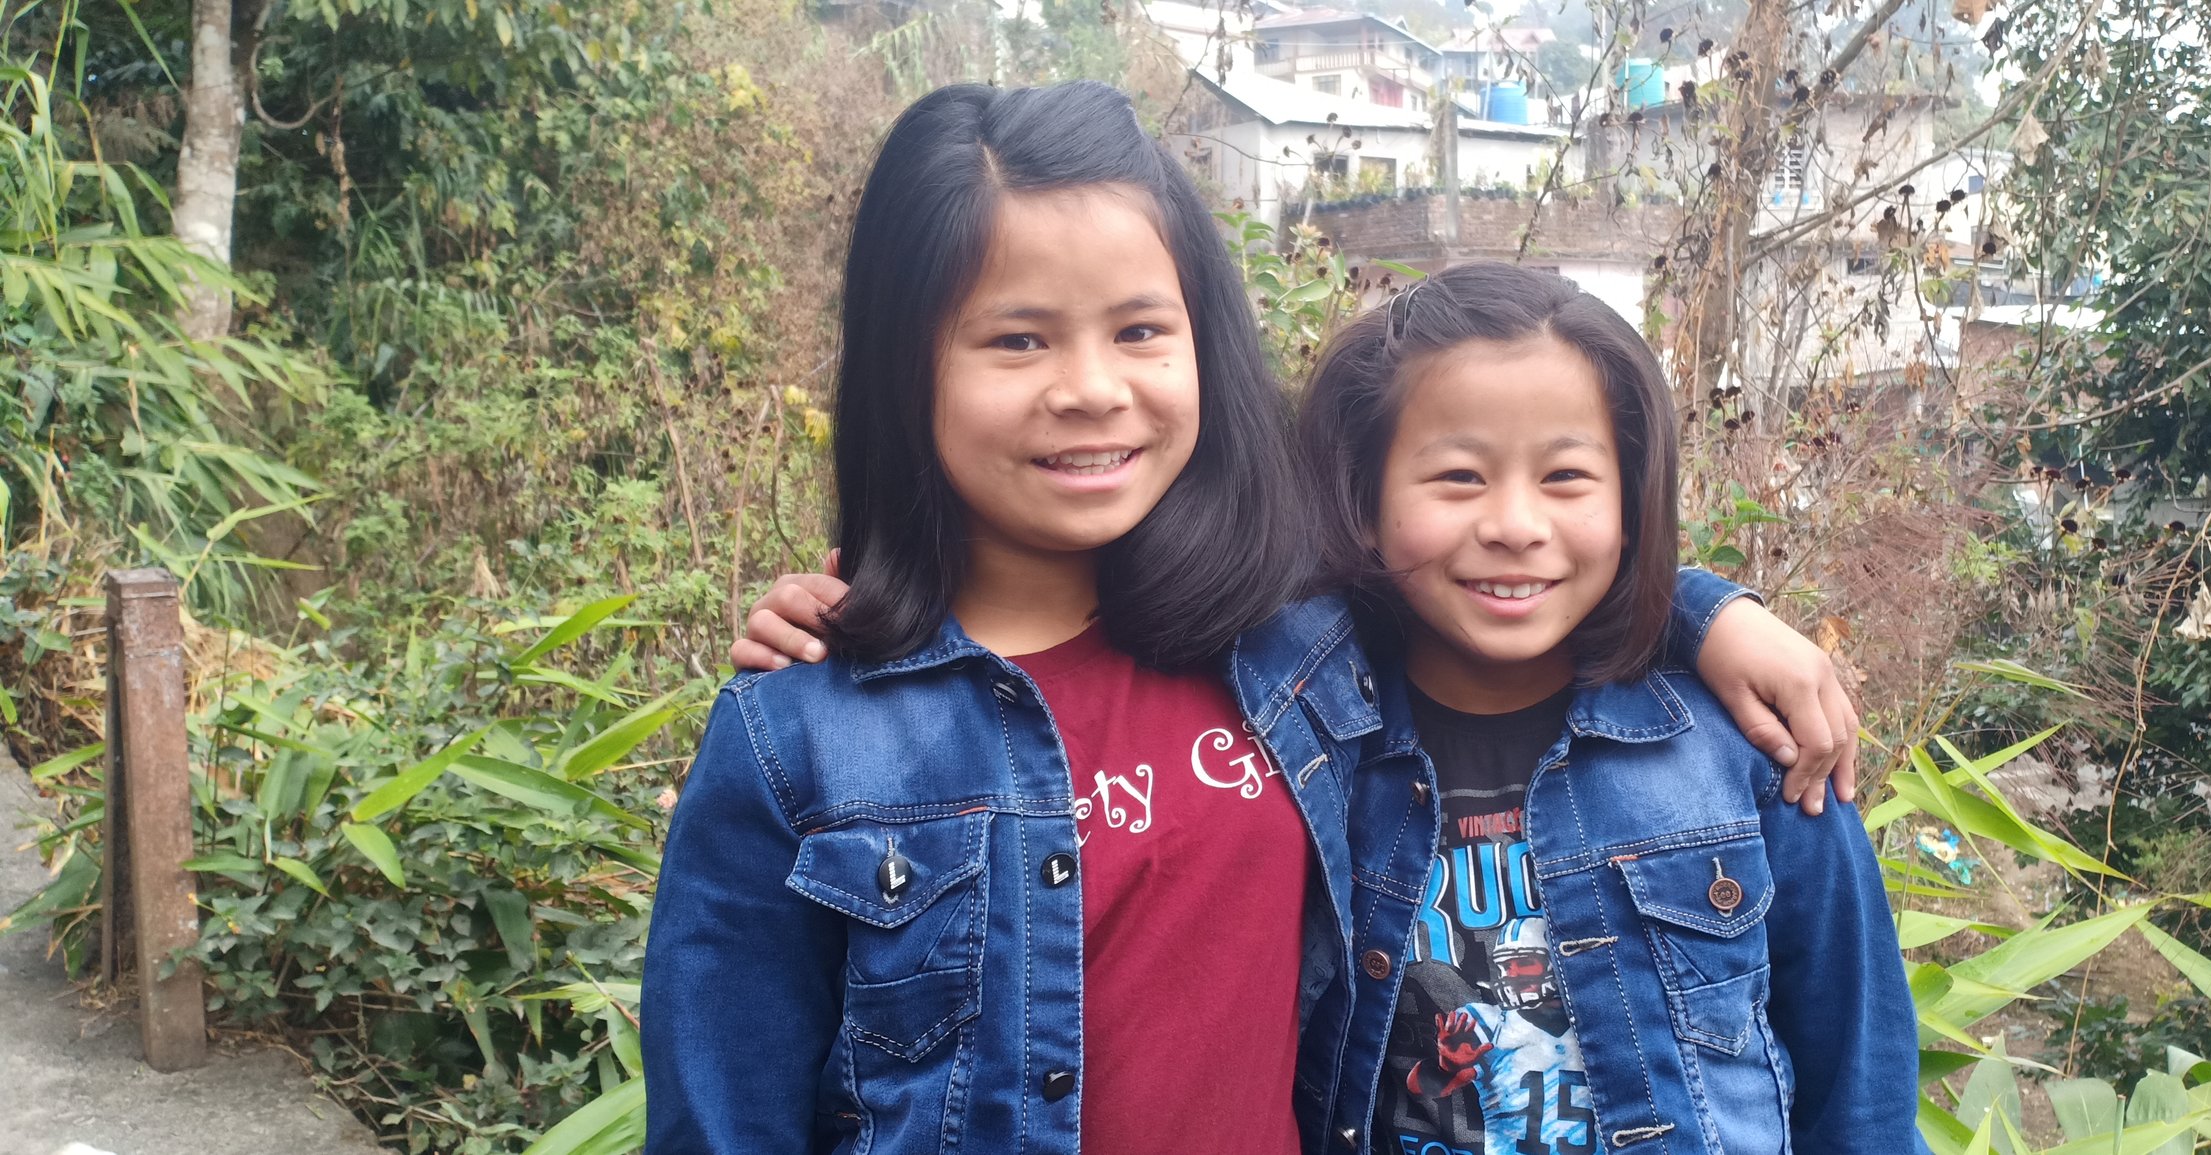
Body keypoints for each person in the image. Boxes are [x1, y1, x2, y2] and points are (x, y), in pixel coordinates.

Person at [694, 85, 1865, 1154]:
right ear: (906, 365)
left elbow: (1489, 563)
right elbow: (722, 1115)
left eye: (1139, 331)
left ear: (1203, 340)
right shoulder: (797, 737)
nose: (1092, 388)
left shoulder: (1285, 641)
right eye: (1017, 338)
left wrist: (1706, 613)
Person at [1297, 263, 1920, 1154]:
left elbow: (1859, 1080)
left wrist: (1697, 605)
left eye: (1566, 476)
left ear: (1631, 501)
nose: (1516, 524)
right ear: (1365, 499)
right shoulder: (1310, 751)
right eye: (1460, 476)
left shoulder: (1745, 748)